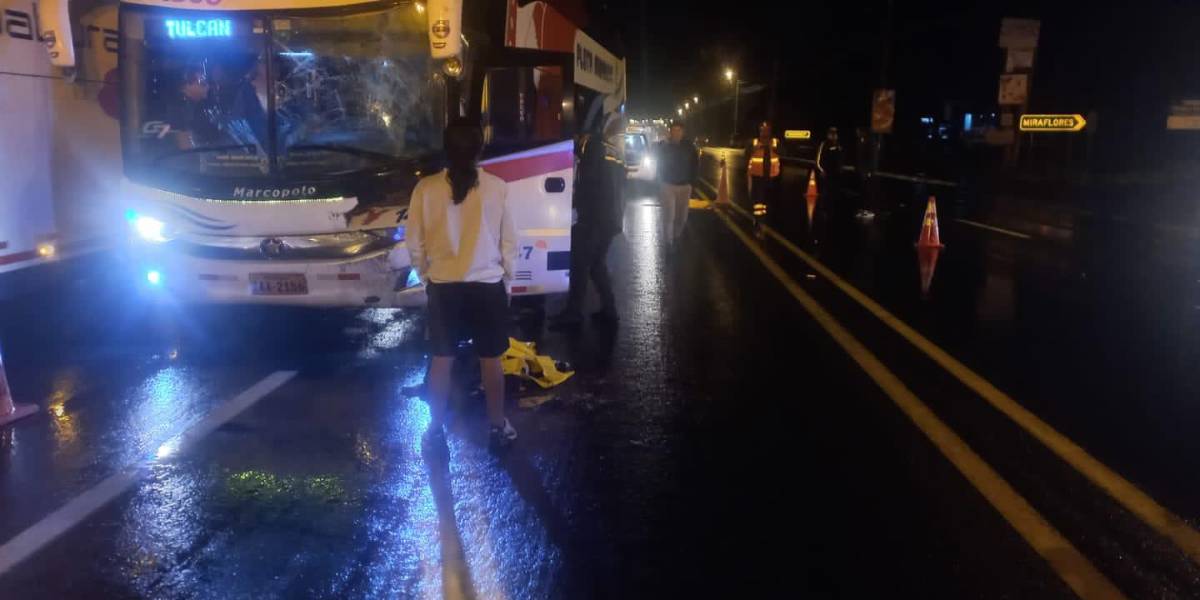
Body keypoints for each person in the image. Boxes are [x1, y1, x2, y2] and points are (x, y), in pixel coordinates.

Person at [407, 118, 519, 449]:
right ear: (480, 148)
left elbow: (415, 244)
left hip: (443, 286)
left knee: (442, 359)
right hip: (487, 286)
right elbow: (509, 243)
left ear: (445, 148)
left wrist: (427, 276)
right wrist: (507, 282)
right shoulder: (497, 187)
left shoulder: (425, 189)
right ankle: (497, 427)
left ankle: (434, 429)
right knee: (491, 358)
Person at [551, 113, 627, 328]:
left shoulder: (594, 147)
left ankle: (573, 312)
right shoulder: (616, 152)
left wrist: (575, 205)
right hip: (611, 219)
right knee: (596, 265)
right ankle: (609, 310)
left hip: (593, 219)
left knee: (579, 264)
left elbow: (588, 183)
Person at [655, 121, 698, 246]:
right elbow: (658, 164)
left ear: (683, 132)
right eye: (674, 130)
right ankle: (668, 243)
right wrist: (659, 182)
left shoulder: (690, 147)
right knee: (669, 216)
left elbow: (695, 165)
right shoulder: (664, 146)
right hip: (668, 186)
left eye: (679, 130)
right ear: (670, 131)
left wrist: (692, 183)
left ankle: (676, 237)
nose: (676, 133)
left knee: (681, 218)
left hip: (684, 187)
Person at [746, 121, 781, 222]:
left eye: (767, 131)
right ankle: (757, 218)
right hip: (757, 174)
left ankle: (766, 215)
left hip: (772, 175)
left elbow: (784, 152)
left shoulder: (775, 142)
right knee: (758, 197)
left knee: (768, 196)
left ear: (770, 132)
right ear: (759, 132)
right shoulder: (754, 142)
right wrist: (754, 149)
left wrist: (775, 149)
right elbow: (746, 153)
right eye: (762, 131)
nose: (765, 133)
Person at [816, 126, 845, 203]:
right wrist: (822, 170)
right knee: (825, 192)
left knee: (835, 193)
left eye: (835, 133)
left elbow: (841, 158)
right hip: (827, 174)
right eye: (832, 133)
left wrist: (841, 168)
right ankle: (823, 206)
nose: (834, 135)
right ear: (828, 134)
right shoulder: (824, 144)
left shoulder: (839, 145)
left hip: (837, 174)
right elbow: (818, 160)